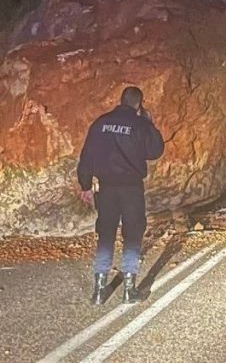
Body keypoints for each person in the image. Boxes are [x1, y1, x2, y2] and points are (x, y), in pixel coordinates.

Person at [77, 86, 164, 305]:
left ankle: (98, 290)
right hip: (131, 188)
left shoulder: (100, 123)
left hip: (106, 188)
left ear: (121, 100)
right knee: (132, 233)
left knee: (105, 234)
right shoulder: (140, 124)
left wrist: (85, 185)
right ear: (138, 103)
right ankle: (128, 289)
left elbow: (86, 156)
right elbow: (155, 151)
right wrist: (149, 123)